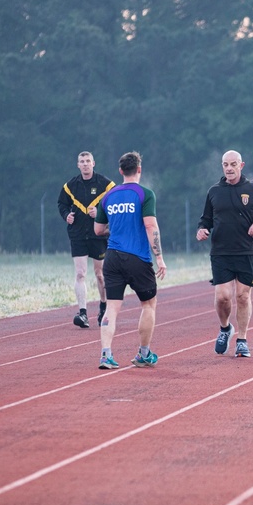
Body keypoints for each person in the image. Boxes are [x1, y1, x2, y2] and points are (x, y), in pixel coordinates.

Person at [197, 149, 253, 357]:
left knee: (242, 296)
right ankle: (225, 328)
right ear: (222, 166)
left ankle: (242, 339)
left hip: (246, 251)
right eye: (225, 164)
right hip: (221, 252)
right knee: (223, 297)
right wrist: (202, 229)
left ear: (241, 165)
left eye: (233, 164)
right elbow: (205, 219)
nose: (229, 168)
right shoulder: (214, 191)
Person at [94, 151, 167, 369]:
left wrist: (116, 227)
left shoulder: (108, 196)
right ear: (139, 170)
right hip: (137, 258)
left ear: (120, 171)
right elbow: (150, 226)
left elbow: (98, 230)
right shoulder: (145, 194)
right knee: (148, 304)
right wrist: (160, 258)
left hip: (113, 258)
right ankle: (144, 354)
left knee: (111, 308)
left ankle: (105, 354)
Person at [57, 151, 115, 328]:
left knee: (100, 275)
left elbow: (115, 204)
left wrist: (100, 213)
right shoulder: (70, 186)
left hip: (98, 234)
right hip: (78, 234)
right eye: (82, 161)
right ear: (78, 165)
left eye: (88, 161)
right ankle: (82, 313)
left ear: (93, 163)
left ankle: (103, 307)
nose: (85, 164)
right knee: (80, 273)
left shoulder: (106, 184)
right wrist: (67, 215)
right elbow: (62, 204)